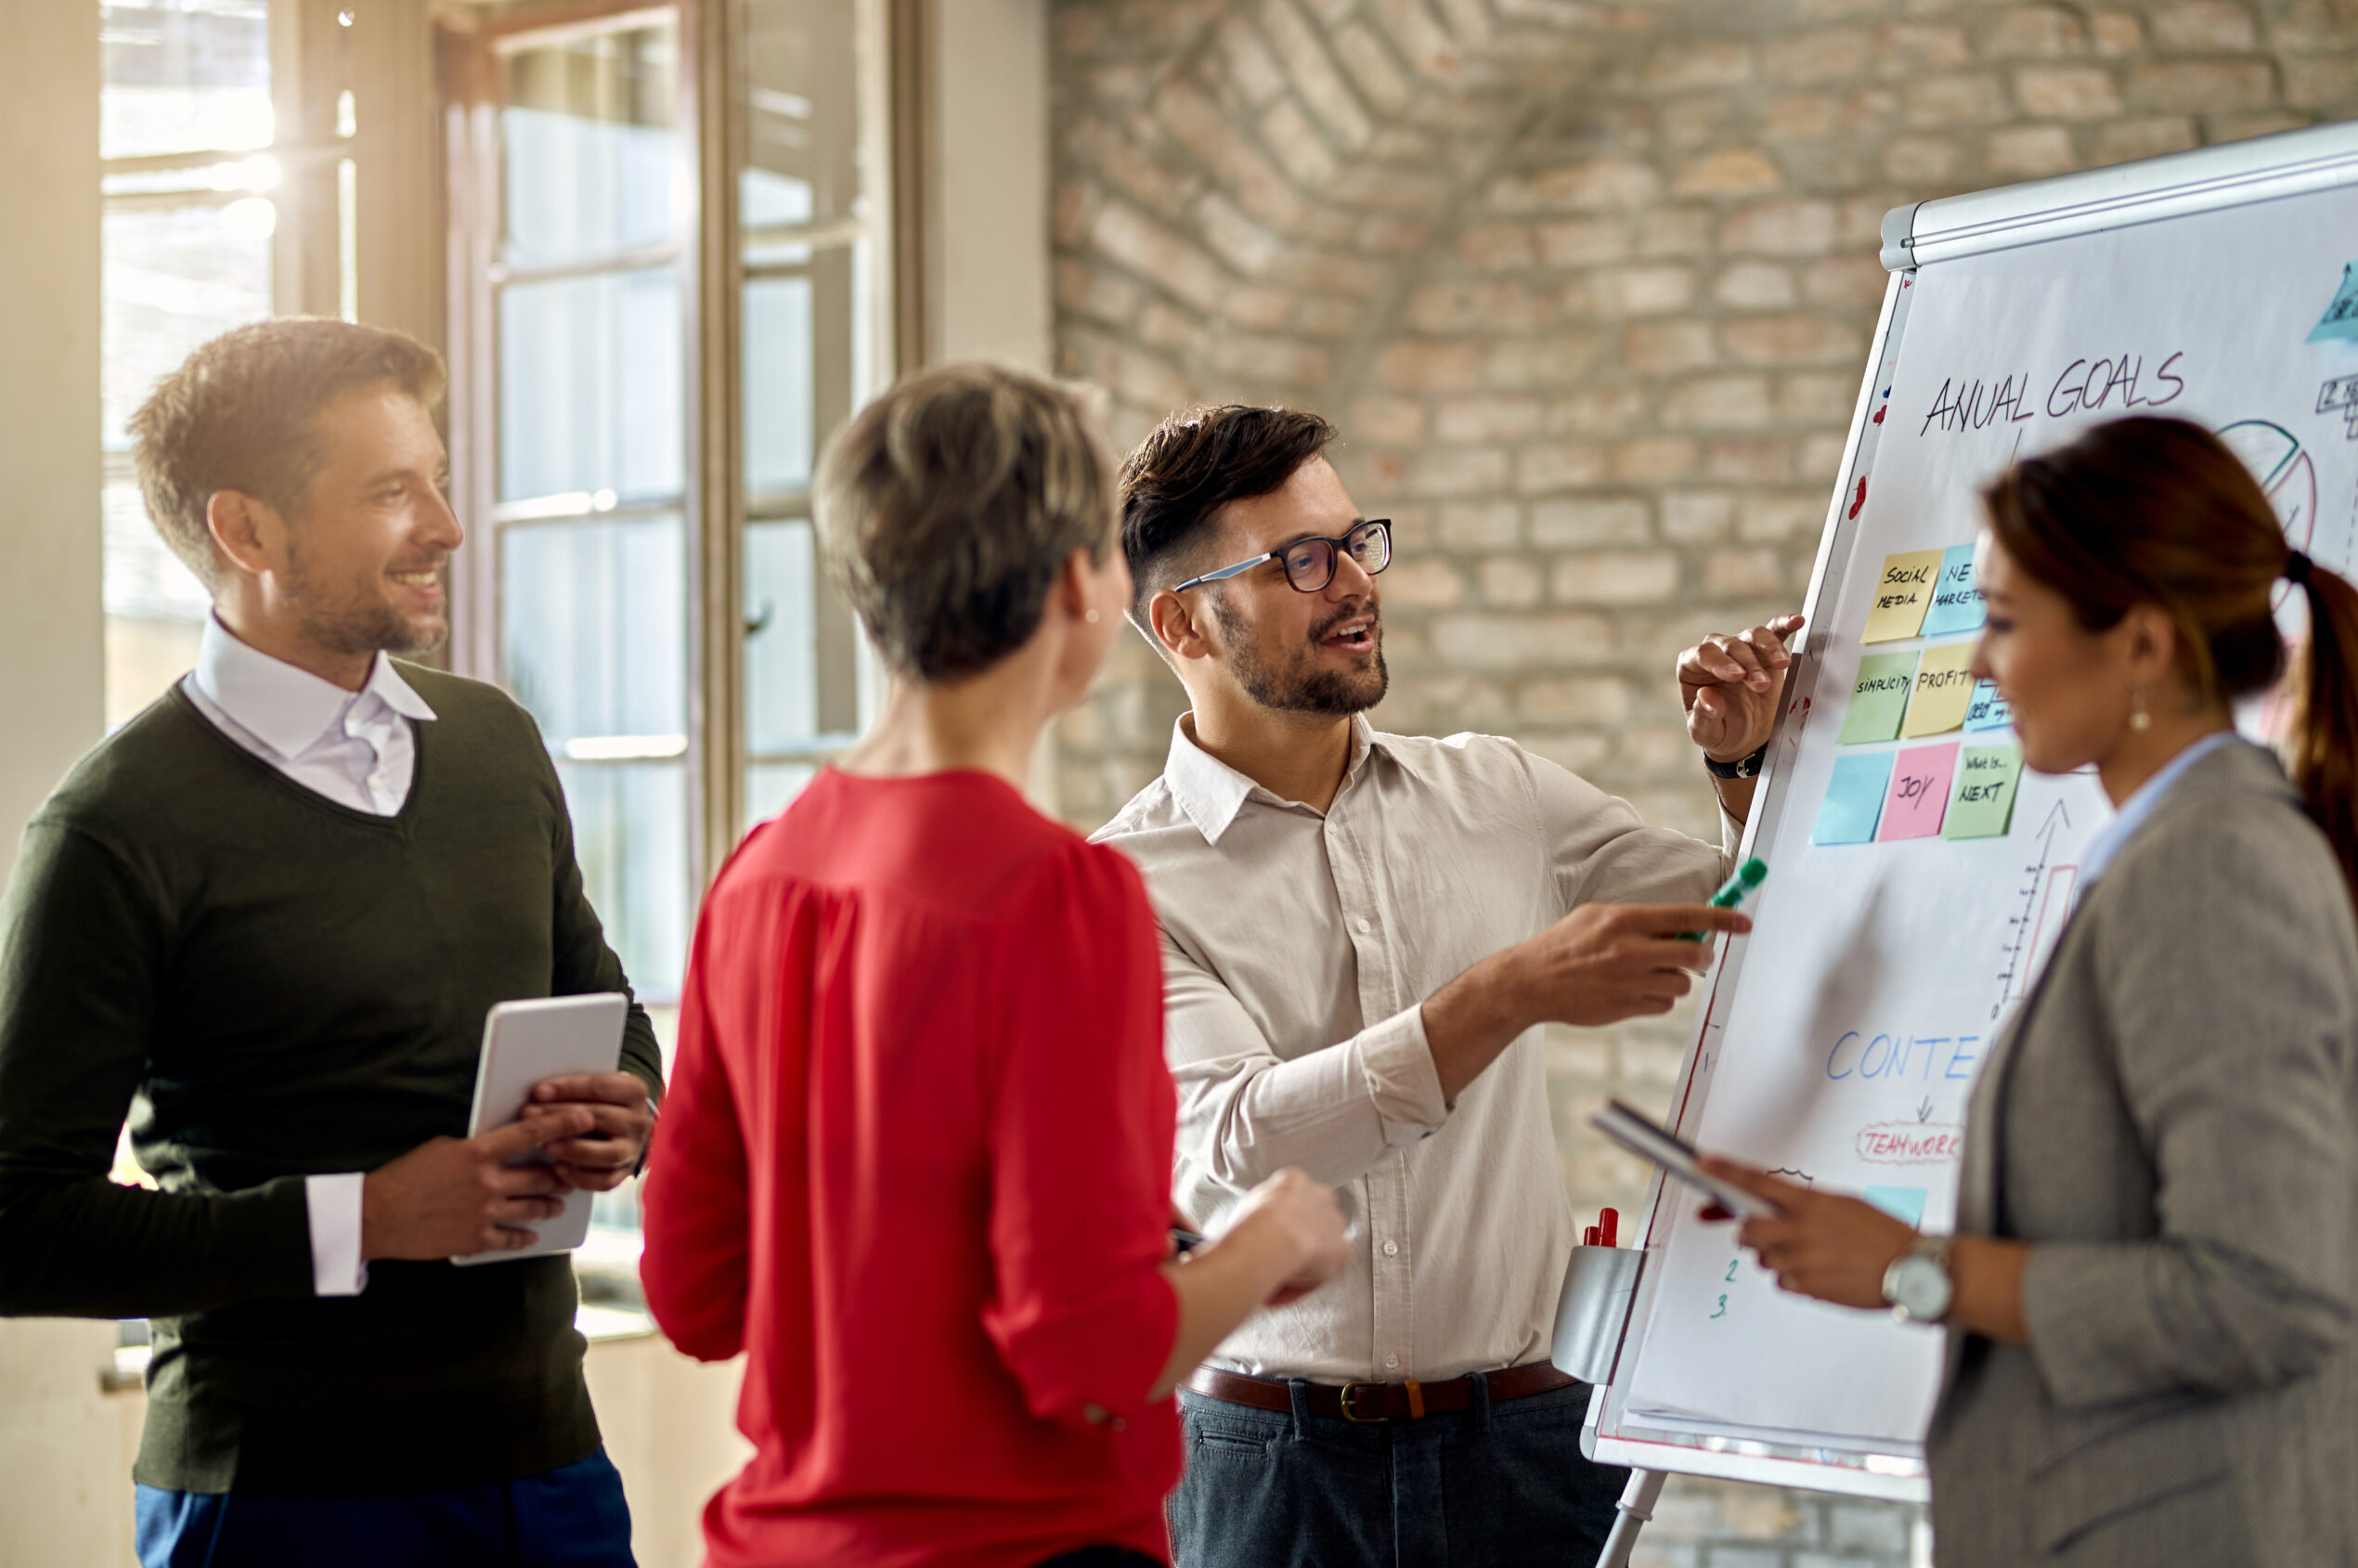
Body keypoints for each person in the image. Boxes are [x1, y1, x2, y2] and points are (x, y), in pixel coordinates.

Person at [639, 366, 1352, 1568]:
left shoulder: (756, 877)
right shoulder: (1056, 892)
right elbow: (1091, 1354)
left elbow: (698, 1295)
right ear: (1083, 580)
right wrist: (1271, 1240)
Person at [0, 317, 661, 1568]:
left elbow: (606, 995)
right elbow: (19, 1219)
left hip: (551, 1471)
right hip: (275, 1500)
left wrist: (630, 1099)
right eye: (391, 491)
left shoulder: (495, 745)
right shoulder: (111, 827)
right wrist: (365, 1215)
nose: (448, 527)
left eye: (440, 479)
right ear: (247, 531)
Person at [1088, 402, 1796, 1566]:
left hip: (1529, 1442)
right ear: (1183, 622)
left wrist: (1739, 767)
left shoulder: (1501, 793)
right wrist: (1503, 993)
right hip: (1271, 1472)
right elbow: (1244, 1141)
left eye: (1356, 542)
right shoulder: (1119, 884)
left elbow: (1746, 911)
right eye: (1299, 563)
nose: (1353, 585)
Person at [1708, 416, 2358, 1566]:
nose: (1975, 663)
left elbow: (2262, 1296)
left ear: (2145, 648)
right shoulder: (2177, 854)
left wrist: (1917, 1268)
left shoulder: (2215, 870)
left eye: (2006, 624)